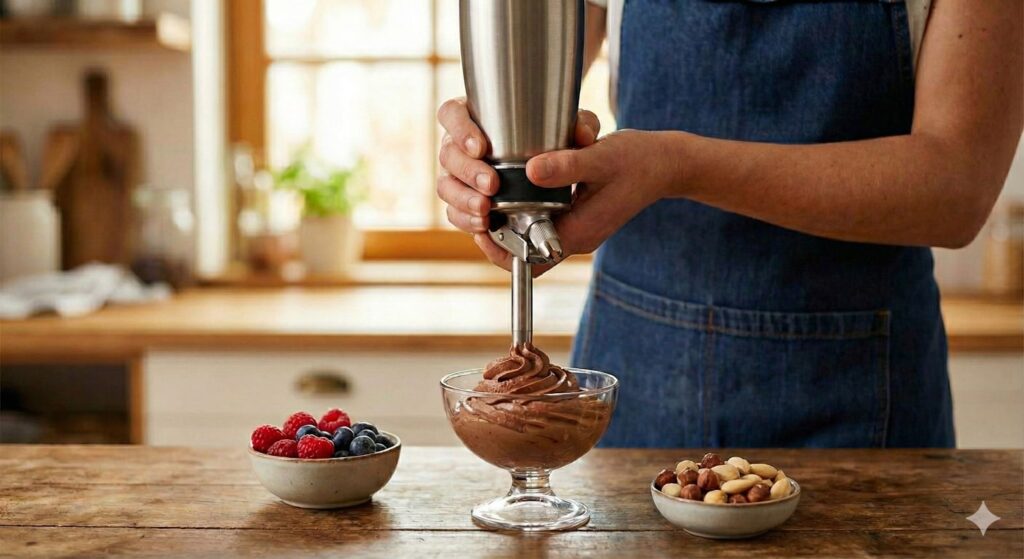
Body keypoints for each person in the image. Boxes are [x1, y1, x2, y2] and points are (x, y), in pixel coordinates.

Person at [436, 0, 1022, 448]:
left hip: (859, 392)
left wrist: (677, 165)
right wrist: (495, 146)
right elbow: (534, 43)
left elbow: (956, 190)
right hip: (635, 366)